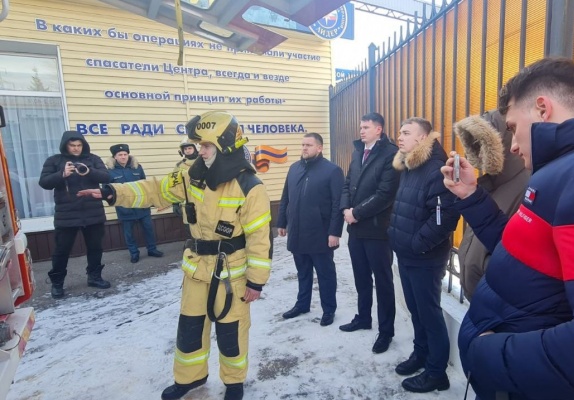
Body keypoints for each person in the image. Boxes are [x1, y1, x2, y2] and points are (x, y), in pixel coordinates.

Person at [441, 57, 574, 399]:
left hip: (525, 382)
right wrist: (471, 196)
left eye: (513, 127)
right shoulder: (571, 168)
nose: (513, 145)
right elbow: (521, 251)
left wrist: (487, 353)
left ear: (543, 109)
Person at [79, 111, 271, 400]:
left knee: (231, 332)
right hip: (196, 269)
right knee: (190, 329)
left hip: (231, 274)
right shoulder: (191, 175)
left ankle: (234, 383)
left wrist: (256, 281)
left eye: (206, 146)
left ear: (224, 146)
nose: (200, 151)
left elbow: (259, 239)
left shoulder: (250, 186)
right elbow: (155, 190)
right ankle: (190, 379)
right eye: (199, 145)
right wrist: (112, 193)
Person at [387, 118, 459, 393]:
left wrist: (416, 244)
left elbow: (445, 217)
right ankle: (421, 354)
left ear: (422, 138)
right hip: (408, 254)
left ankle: (436, 373)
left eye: (406, 133)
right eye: (399, 132)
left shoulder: (436, 168)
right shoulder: (411, 165)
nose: (399, 137)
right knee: (416, 311)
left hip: (425, 257)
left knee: (429, 314)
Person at [339, 112, 400, 354]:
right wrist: (346, 209)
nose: (361, 131)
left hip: (377, 229)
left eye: (366, 127)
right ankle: (363, 317)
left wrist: (357, 212)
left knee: (383, 282)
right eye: (361, 127)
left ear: (379, 129)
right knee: (361, 277)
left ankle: (386, 331)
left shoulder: (390, 154)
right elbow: (348, 183)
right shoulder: (358, 152)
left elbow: (385, 194)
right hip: (356, 228)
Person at [454, 111, 529, 300]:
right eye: (475, 144)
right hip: (482, 295)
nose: (478, 151)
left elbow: (521, 254)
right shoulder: (490, 183)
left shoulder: (528, 185)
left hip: (499, 298)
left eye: (483, 143)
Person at [277, 132, 344, 327]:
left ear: (319, 148)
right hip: (297, 231)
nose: (304, 148)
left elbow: (337, 204)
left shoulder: (332, 171)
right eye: (303, 145)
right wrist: (282, 222)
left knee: (325, 274)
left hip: (320, 233)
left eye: (309, 145)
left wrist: (334, 232)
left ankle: (329, 309)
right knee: (303, 272)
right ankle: (302, 304)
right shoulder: (294, 168)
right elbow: (285, 197)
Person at [38, 130, 111, 299]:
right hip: (66, 214)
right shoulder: (54, 161)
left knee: (95, 248)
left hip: (93, 212)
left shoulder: (93, 159)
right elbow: (44, 182)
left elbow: (107, 177)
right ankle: (57, 283)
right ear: (66, 145)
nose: (76, 148)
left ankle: (94, 277)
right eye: (72, 145)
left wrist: (89, 171)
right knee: (61, 251)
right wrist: (62, 174)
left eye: (79, 145)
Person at [106, 144, 164, 263]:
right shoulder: (109, 172)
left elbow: (145, 185)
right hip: (124, 208)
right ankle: (134, 253)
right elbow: (107, 191)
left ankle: (152, 249)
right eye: (120, 155)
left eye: (125, 154)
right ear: (115, 157)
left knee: (149, 229)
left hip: (142, 206)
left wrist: (150, 200)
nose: (123, 157)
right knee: (129, 234)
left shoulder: (137, 167)